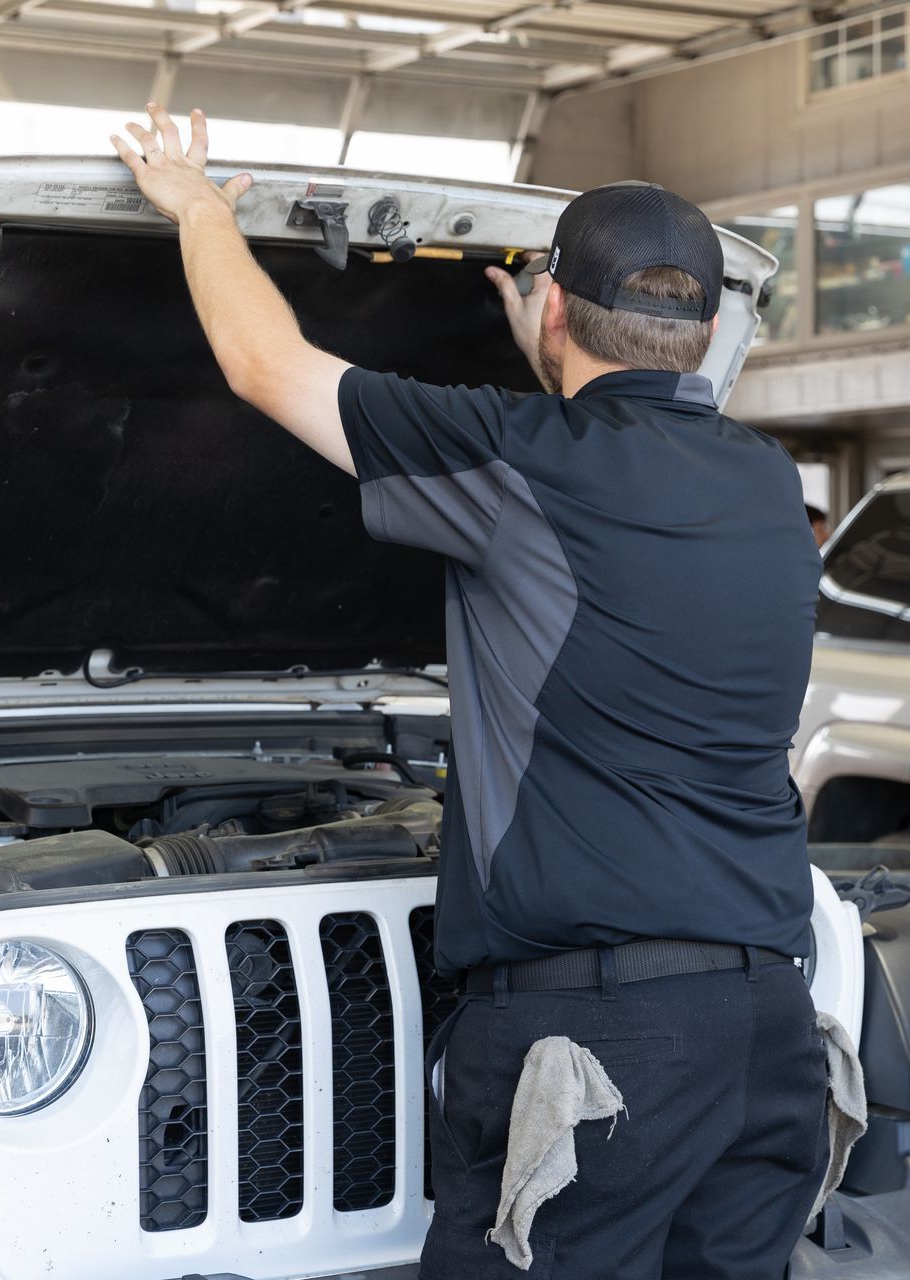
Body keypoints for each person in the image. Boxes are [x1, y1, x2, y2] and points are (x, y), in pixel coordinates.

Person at [114, 106, 827, 1280]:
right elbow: (606, 488)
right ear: (703, 329)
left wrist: (199, 205)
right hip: (764, 1035)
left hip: (599, 1048)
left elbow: (262, 365)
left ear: (554, 309)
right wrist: (550, 361)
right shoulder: (764, 482)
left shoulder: (516, 454)